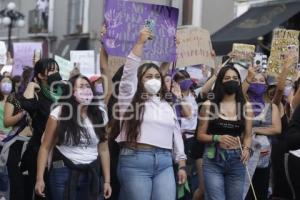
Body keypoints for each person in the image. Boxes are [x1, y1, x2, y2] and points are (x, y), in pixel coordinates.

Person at [116, 27, 187, 200]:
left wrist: (182, 164)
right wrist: (140, 42)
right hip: (135, 161)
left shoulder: (165, 105)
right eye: (148, 76)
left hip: (164, 163)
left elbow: (175, 133)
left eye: (157, 76)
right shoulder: (129, 98)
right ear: (139, 80)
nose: (154, 80)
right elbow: (129, 71)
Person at [35, 74, 111, 200]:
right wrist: (39, 179)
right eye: (81, 86)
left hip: (91, 172)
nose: (86, 90)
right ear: (72, 92)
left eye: (88, 86)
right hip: (63, 171)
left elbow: (104, 149)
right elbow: (45, 147)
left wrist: (107, 181)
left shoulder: (100, 114)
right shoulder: (58, 113)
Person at [197, 64, 252, 200]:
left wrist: (246, 148)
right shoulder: (209, 105)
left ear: (239, 81)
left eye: (235, 78)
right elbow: (200, 135)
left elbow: (248, 135)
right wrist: (217, 138)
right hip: (213, 159)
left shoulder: (246, 106)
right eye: (227, 78)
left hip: (237, 160)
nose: (231, 80)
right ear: (220, 81)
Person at [20, 58, 64, 200]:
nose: (56, 73)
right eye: (51, 70)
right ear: (40, 75)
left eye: (57, 70)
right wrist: (31, 85)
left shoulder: (63, 94)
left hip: (61, 152)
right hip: (40, 151)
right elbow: (25, 104)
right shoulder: (38, 95)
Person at [242, 71, 281, 200]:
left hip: (264, 157)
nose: (258, 83)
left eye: (261, 81)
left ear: (266, 85)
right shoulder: (242, 104)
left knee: (260, 192)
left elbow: (276, 129)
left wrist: (254, 129)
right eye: (254, 80)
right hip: (244, 155)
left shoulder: (272, 107)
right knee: (243, 192)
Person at [3, 68, 34, 200]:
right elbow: (7, 122)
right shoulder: (15, 98)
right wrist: (23, 112)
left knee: (31, 186)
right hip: (17, 143)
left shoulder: (41, 98)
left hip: (35, 144)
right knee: (17, 186)